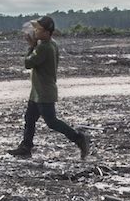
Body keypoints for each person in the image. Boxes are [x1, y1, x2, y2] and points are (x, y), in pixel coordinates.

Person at [11, 15, 90, 158]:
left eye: (38, 30)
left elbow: (28, 63)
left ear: (47, 32)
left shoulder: (45, 48)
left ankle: (79, 138)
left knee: (52, 122)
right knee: (29, 118)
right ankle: (26, 147)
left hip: (44, 92)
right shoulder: (51, 43)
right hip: (38, 91)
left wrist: (31, 46)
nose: (35, 32)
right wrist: (35, 45)